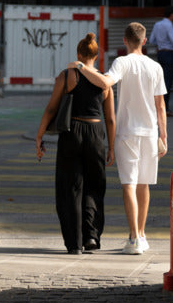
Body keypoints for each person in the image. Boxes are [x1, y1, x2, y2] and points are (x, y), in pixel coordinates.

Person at [71, 22, 167, 255]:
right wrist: (163, 135)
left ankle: (133, 238)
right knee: (144, 184)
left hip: (127, 133)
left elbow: (105, 83)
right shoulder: (156, 67)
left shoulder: (122, 62)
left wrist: (81, 67)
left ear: (124, 41)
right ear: (144, 41)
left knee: (129, 185)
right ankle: (141, 235)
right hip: (149, 132)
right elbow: (160, 105)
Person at [35, 33, 116, 254]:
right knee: (94, 186)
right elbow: (110, 118)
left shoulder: (68, 75)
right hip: (96, 132)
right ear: (96, 56)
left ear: (78, 54)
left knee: (71, 187)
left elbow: (52, 108)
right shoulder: (104, 81)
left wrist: (40, 135)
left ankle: (74, 243)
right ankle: (91, 236)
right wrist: (112, 147)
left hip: (72, 131)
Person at [149, 7, 173, 116]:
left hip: (160, 54)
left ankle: (158, 108)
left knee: (160, 82)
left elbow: (151, 40)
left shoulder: (157, 24)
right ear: (172, 15)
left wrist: (160, 44)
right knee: (167, 82)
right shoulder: (168, 24)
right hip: (169, 54)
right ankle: (165, 109)